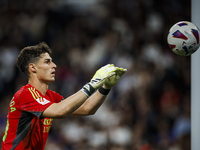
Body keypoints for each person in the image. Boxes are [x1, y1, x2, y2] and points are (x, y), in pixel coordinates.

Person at [1, 42, 127, 150]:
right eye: (47, 62)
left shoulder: (50, 96)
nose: (54, 65)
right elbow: (60, 111)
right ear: (33, 68)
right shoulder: (25, 94)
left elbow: (87, 108)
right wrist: (93, 83)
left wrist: (106, 87)